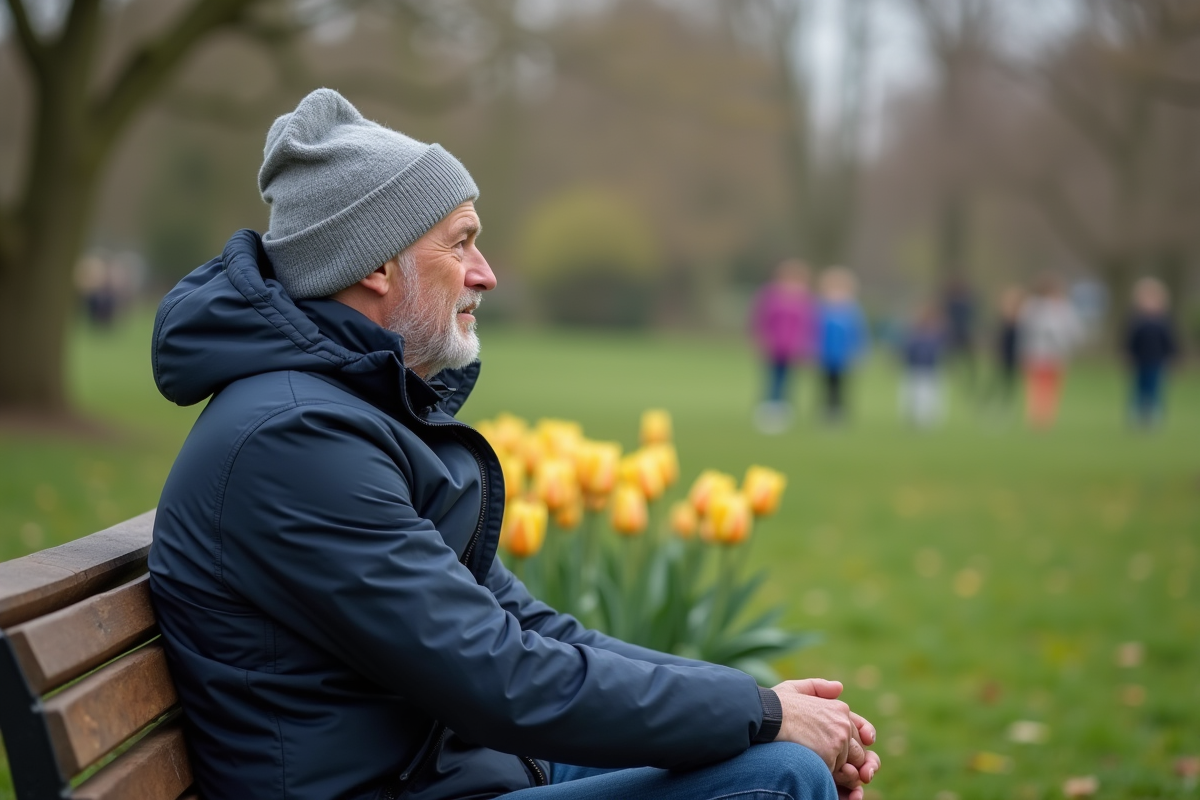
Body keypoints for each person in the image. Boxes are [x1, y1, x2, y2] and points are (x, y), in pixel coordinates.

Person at [148, 89, 880, 800]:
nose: (486, 273)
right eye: (461, 242)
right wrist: (766, 720)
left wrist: (758, 710)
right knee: (780, 779)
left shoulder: (351, 411)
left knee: (777, 758)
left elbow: (528, 629)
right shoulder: (296, 442)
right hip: (411, 784)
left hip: (454, 771)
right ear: (373, 265)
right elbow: (500, 676)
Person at [751, 258, 817, 433]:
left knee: (789, 380)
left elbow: (809, 325)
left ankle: (784, 411)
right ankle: (769, 410)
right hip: (774, 347)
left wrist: (807, 346)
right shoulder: (771, 295)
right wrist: (761, 340)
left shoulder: (805, 299)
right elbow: (760, 320)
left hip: (794, 349)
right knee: (773, 378)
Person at [1018, 275, 1084, 428]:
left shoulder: (1063, 308)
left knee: (1050, 387)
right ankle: (1038, 416)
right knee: (1038, 386)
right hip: (1038, 353)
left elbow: (1075, 332)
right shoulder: (1033, 307)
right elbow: (1025, 330)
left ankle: (1045, 417)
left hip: (1055, 354)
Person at [816, 267, 867, 423]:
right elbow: (814, 332)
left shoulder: (852, 311)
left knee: (841, 386)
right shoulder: (821, 309)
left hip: (844, 357)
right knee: (825, 385)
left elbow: (858, 334)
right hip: (825, 357)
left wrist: (859, 353)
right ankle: (825, 411)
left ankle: (838, 413)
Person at [1124, 277, 1177, 427]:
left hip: (1157, 361)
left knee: (1155, 390)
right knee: (1138, 390)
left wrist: (1173, 357)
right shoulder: (1136, 321)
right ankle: (1136, 418)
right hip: (1139, 360)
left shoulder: (1164, 322)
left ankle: (1154, 419)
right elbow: (1129, 340)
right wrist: (1127, 354)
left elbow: (1170, 342)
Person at [897, 305, 946, 428]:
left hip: (929, 369)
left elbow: (940, 352)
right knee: (912, 396)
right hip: (914, 368)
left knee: (928, 396)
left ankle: (926, 419)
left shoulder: (936, 335)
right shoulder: (914, 333)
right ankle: (915, 419)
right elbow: (907, 350)